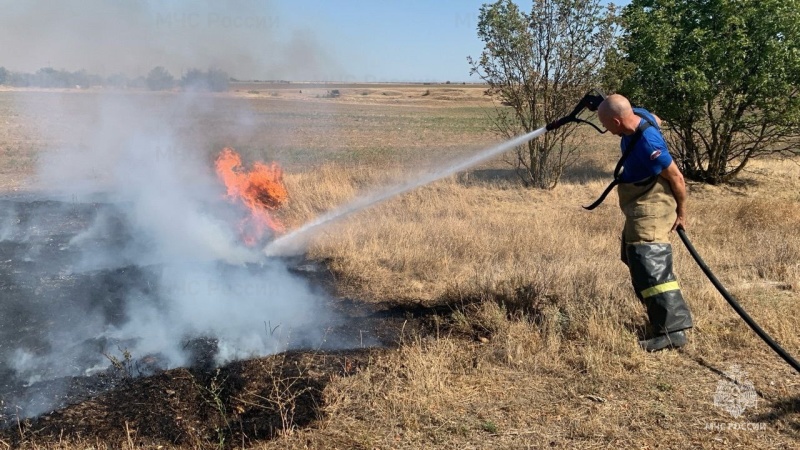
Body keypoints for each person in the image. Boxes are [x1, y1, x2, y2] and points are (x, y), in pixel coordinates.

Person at [596, 94, 693, 352]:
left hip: (654, 199)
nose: (606, 130)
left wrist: (681, 214)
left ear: (617, 121)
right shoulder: (638, 114)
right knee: (632, 253)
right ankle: (657, 315)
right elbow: (653, 117)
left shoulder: (650, 144)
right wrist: (599, 104)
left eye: (607, 125)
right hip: (638, 198)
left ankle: (673, 331)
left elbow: (677, 179)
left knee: (648, 257)